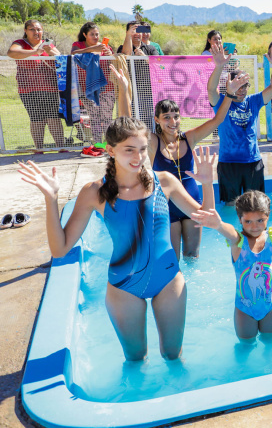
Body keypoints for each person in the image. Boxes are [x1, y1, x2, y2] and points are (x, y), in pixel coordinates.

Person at [18, 104, 217, 361]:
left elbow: (208, 220)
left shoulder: (164, 181)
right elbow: (60, 249)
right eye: (129, 150)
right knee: (135, 359)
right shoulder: (95, 192)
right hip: (124, 287)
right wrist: (51, 200)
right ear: (111, 151)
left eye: (143, 149)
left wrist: (208, 184)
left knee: (172, 354)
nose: (138, 157)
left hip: (168, 281)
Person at [190, 190, 272, 338]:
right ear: (240, 219)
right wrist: (219, 225)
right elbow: (229, 232)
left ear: (268, 217)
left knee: (270, 343)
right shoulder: (238, 241)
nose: (254, 226)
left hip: (271, 306)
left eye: (260, 220)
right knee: (246, 346)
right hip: (245, 310)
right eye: (248, 221)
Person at [150, 73, 248, 258]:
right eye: (166, 117)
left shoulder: (189, 138)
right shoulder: (153, 142)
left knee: (192, 256)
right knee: (172, 259)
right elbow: (129, 127)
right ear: (157, 120)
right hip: (166, 205)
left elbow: (217, 120)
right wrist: (124, 90)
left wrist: (230, 94)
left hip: (193, 204)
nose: (173, 122)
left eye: (176, 117)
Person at [207, 42, 272, 204]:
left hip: (252, 162)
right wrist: (219, 66)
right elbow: (211, 90)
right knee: (230, 206)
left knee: (256, 205)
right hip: (228, 163)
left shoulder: (254, 101)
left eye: (244, 86)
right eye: (237, 86)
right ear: (229, 86)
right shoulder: (222, 102)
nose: (241, 90)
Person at [7, 19, 65, 151]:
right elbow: (11, 53)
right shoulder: (20, 43)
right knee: (36, 119)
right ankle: (39, 149)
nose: (36, 32)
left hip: (50, 88)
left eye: (38, 29)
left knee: (54, 118)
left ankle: (61, 148)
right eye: (32, 29)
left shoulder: (47, 44)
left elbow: (60, 57)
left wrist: (50, 51)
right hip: (28, 90)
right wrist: (35, 52)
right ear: (25, 31)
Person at [71, 21, 116, 144]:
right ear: (85, 35)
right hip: (88, 89)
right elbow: (73, 54)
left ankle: (109, 144)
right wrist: (92, 49)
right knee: (94, 118)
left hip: (106, 88)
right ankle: (97, 144)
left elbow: (112, 66)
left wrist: (110, 56)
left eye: (97, 34)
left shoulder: (104, 47)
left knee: (107, 118)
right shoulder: (78, 45)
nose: (96, 37)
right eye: (92, 34)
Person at [118, 21, 160, 132]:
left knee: (147, 123)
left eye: (139, 31)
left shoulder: (151, 49)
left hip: (146, 93)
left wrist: (145, 58)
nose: (137, 34)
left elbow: (159, 66)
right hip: (129, 92)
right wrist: (128, 36)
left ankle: (149, 145)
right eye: (133, 31)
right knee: (130, 121)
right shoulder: (121, 48)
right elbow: (126, 54)